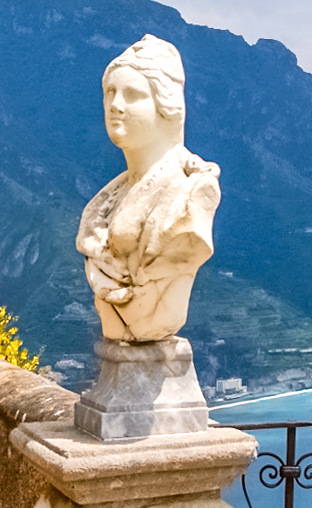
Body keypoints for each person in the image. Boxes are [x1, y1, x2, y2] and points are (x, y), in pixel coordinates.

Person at [74, 35, 220, 342]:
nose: (115, 105)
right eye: (110, 93)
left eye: (133, 95)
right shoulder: (105, 203)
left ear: (166, 104)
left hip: (151, 327)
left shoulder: (190, 193)